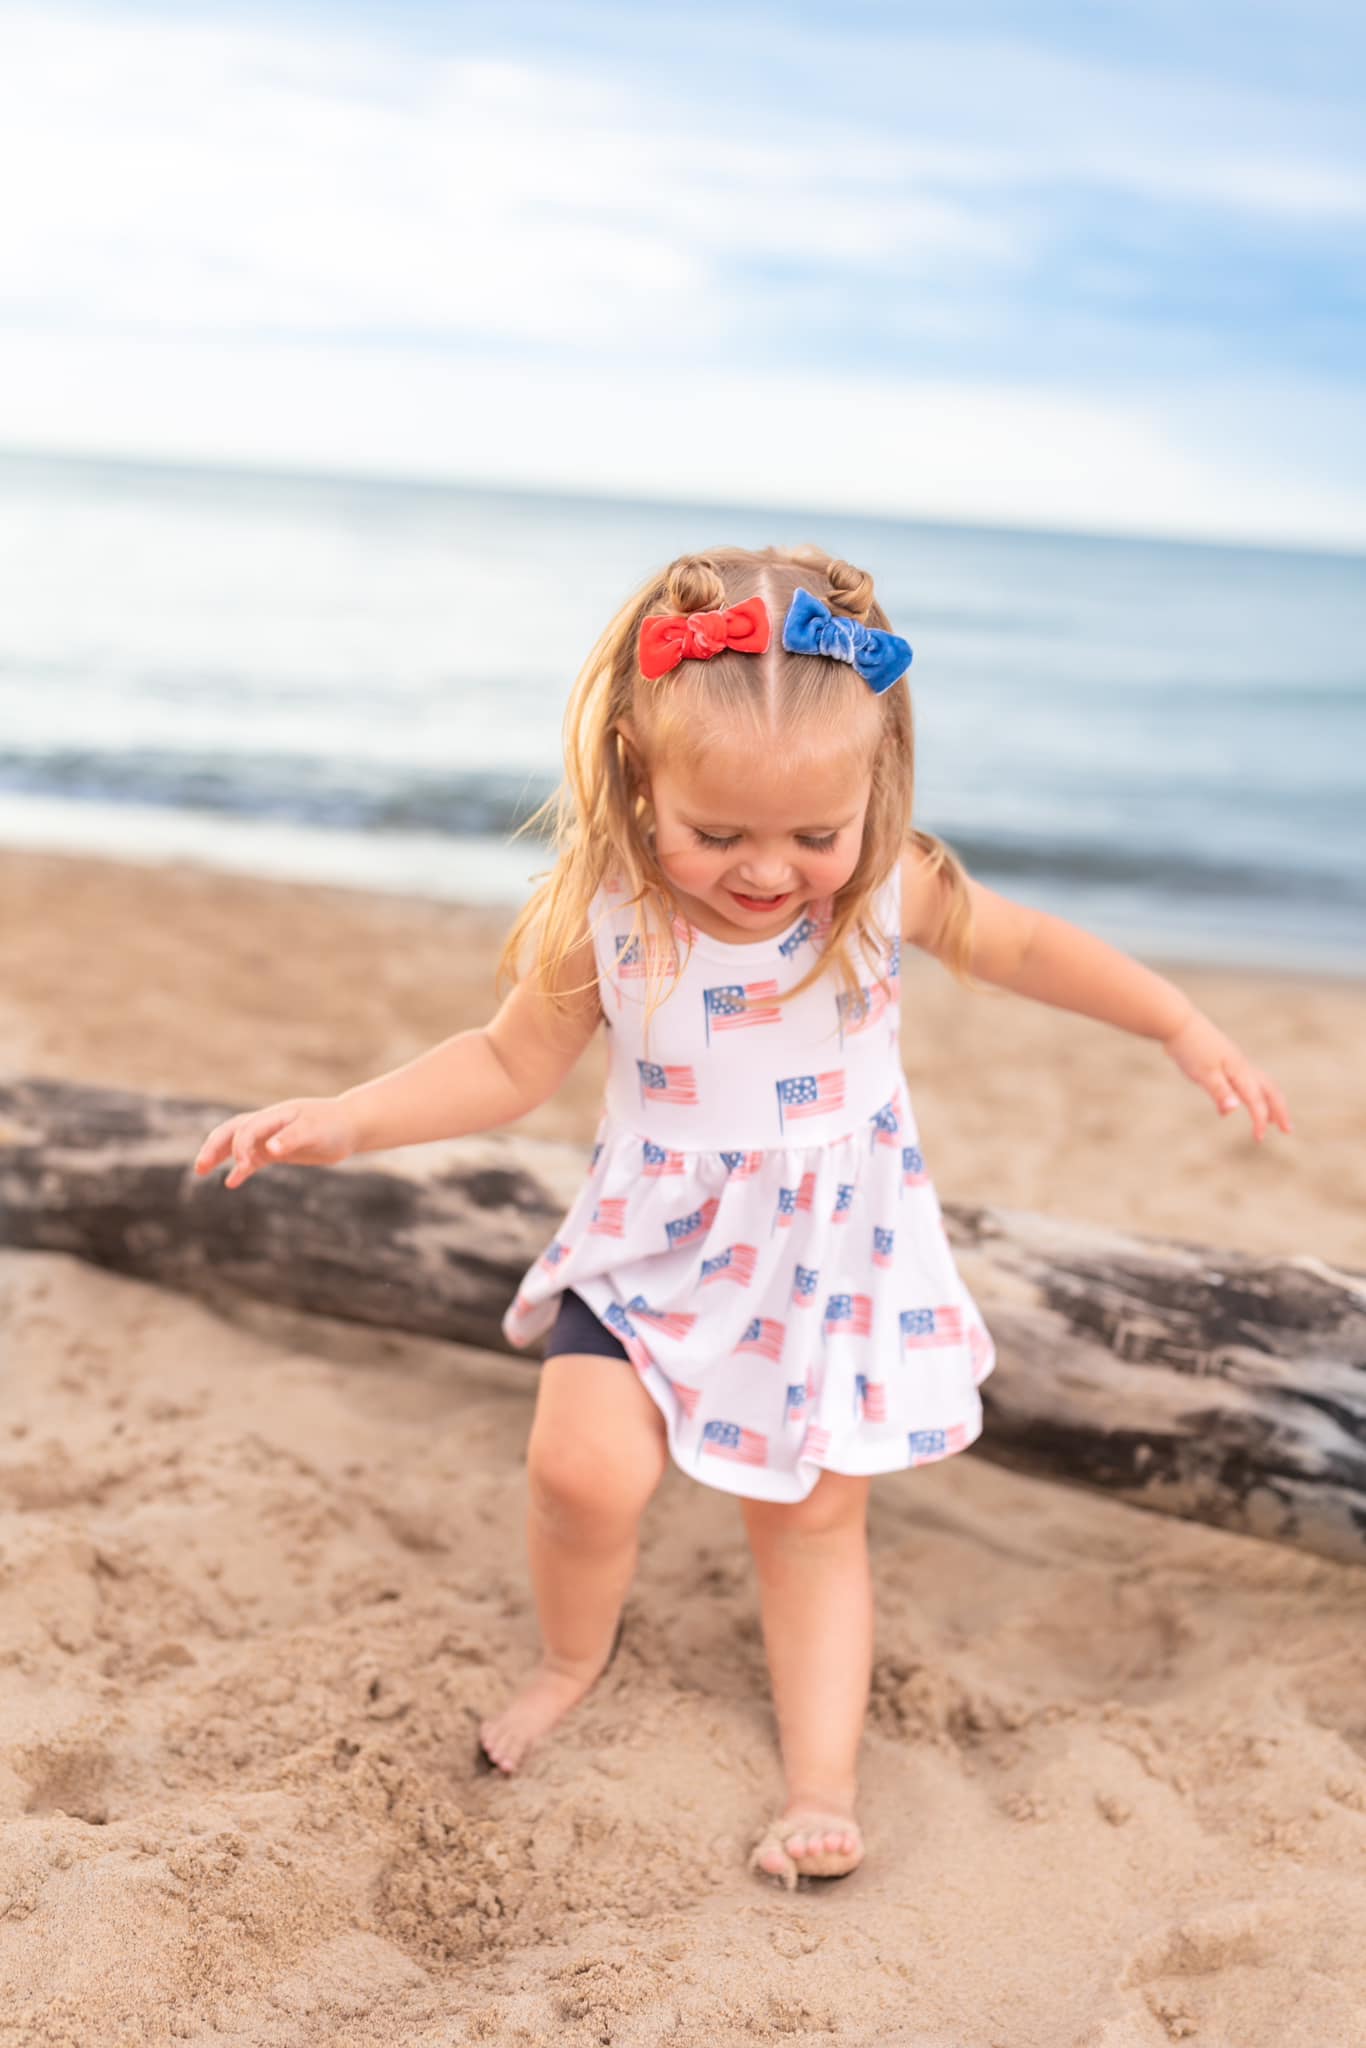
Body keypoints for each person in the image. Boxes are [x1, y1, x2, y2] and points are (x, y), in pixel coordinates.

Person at [193, 544, 1292, 1891]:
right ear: (637, 775)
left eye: (811, 836)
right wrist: (344, 1118)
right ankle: (567, 1659)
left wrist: (1175, 1021)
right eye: (720, 837)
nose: (769, 873)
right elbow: (500, 1066)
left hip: (832, 1266)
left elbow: (1023, 948)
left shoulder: (884, 892)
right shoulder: (604, 918)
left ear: (872, 790)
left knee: (811, 1523)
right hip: (649, 1248)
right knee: (579, 1472)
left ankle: (818, 1784)